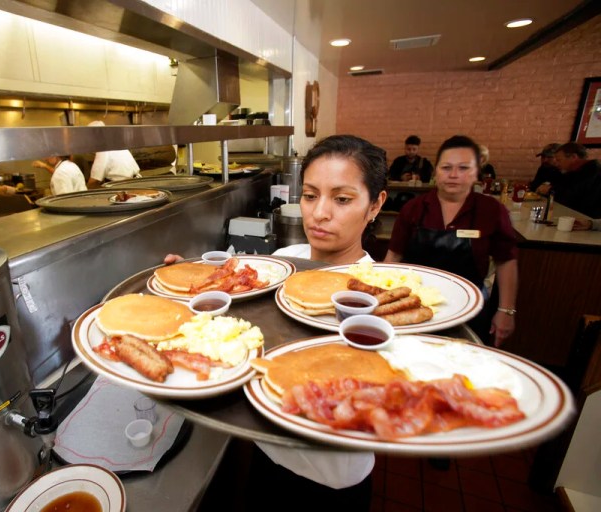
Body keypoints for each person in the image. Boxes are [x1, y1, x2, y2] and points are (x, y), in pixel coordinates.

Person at [166, 134, 388, 510]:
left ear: (375, 205)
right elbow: (239, 325)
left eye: (342, 199)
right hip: (267, 451)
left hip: (330, 478)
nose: (319, 213)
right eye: (310, 195)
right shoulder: (287, 259)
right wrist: (193, 288)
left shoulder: (378, 294)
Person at [385, 135, 518, 347]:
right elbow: (394, 255)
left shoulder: (491, 210)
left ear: (477, 172)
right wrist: (384, 303)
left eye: (463, 168)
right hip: (414, 306)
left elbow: (506, 261)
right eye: (446, 167)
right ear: (435, 170)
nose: (454, 175)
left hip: (471, 307)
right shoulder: (414, 208)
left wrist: (506, 310)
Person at [536, 142, 601, 218]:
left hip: (588, 220)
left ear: (574, 157)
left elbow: (571, 195)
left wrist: (550, 190)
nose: (556, 164)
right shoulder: (572, 171)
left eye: (559, 160)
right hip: (571, 216)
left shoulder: (593, 171)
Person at [85, 120, 141, 188]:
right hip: (136, 182)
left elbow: (94, 180)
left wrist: (84, 191)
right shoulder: (115, 143)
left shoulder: (103, 150)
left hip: (123, 186)